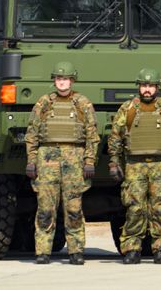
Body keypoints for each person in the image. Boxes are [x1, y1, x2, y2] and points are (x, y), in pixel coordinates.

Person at [107, 68, 161, 264]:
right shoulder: (127, 109)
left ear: (157, 88)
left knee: (160, 209)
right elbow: (116, 137)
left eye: (150, 86)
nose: (147, 89)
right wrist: (114, 162)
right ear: (139, 87)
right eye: (144, 86)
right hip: (134, 165)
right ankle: (131, 248)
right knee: (135, 209)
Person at [24, 62, 99, 265]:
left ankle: (76, 251)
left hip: (74, 157)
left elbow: (92, 135)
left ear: (72, 81)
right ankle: (43, 251)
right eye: (58, 78)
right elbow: (31, 134)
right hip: (47, 157)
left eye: (65, 79)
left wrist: (89, 161)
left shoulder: (82, 103)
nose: (62, 82)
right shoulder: (44, 103)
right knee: (46, 208)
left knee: (74, 208)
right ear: (54, 81)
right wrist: (31, 161)